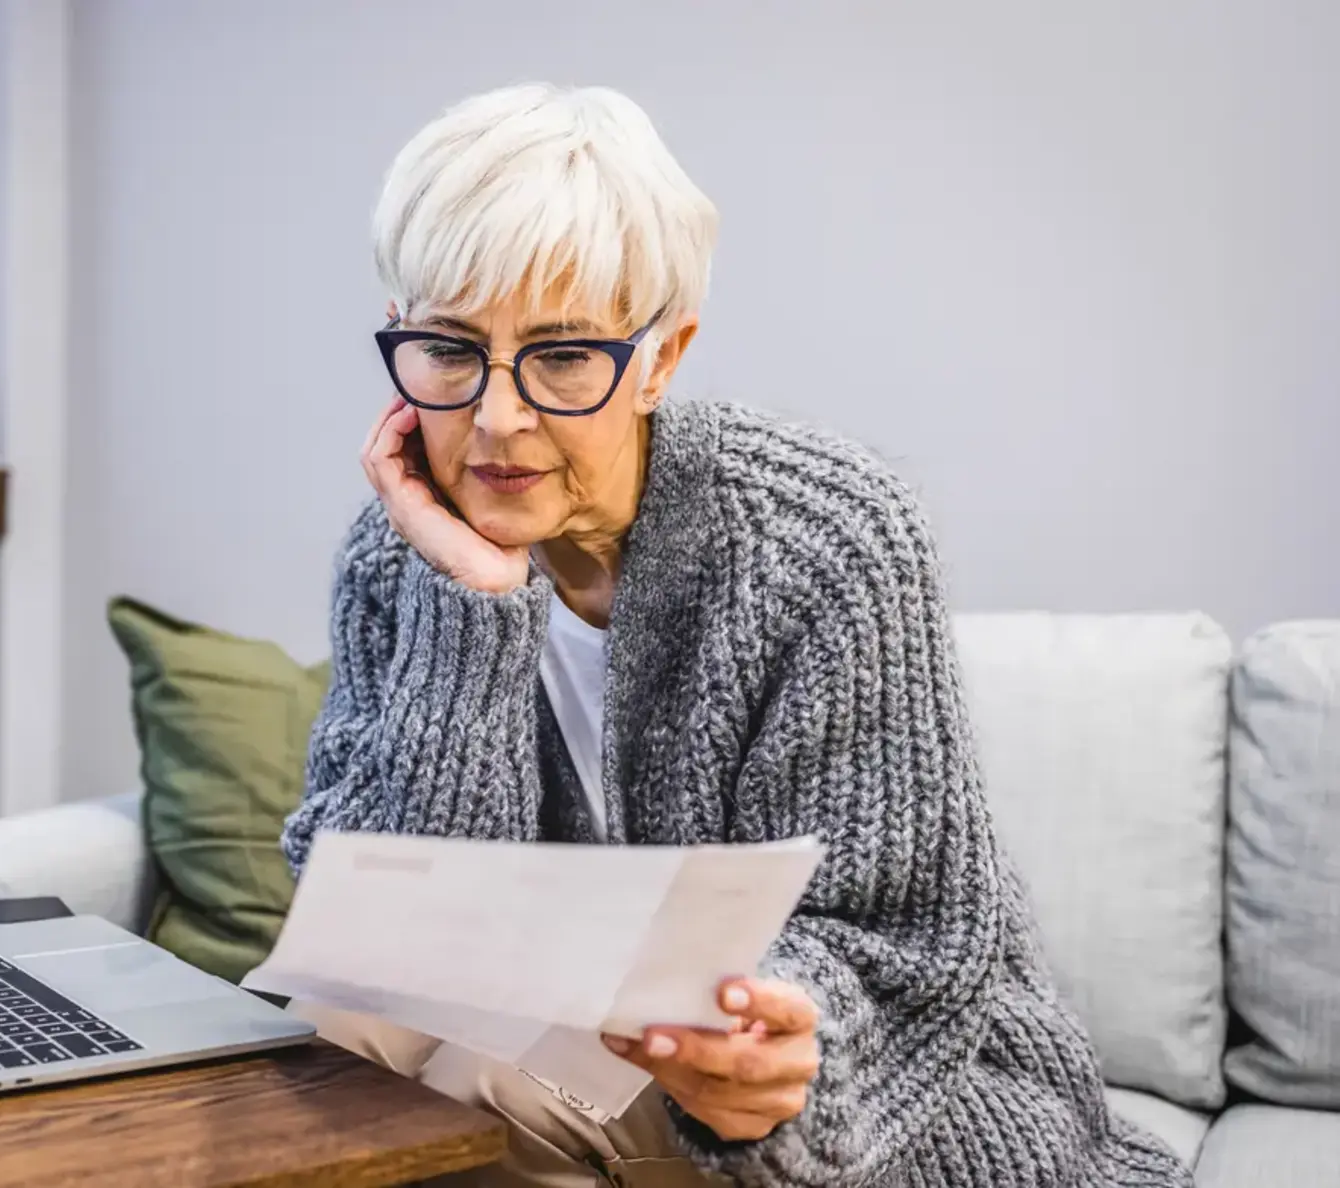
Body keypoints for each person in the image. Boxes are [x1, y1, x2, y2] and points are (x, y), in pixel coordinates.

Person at [279, 84, 1192, 1188]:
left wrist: (756, 1036)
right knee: (325, 1050)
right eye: (449, 349)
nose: (497, 417)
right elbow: (388, 937)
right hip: (561, 1051)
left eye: (564, 357)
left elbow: (891, 938)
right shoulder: (398, 557)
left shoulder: (824, 537)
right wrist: (468, 596)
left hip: (885, 1095)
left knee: (477, 1098)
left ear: (660, 361)